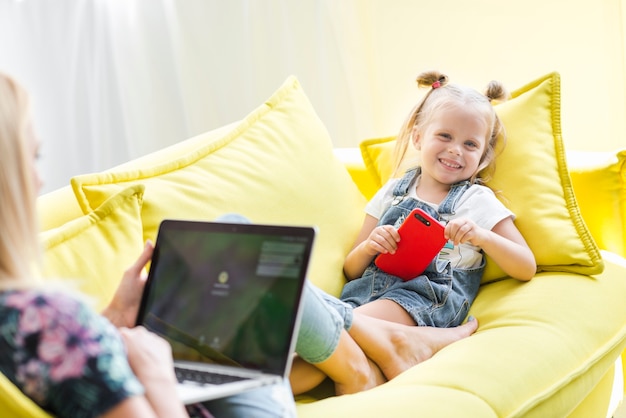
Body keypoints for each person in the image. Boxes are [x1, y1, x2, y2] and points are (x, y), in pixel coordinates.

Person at [0, 72, 296, 418]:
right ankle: (354, 346)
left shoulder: (29, 318)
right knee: (243, 261)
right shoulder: (51, 318)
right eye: (31, 159)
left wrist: (114, 318)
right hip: (174, 396)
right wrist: (158, 373)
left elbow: (63, 375)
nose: (39, 179)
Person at [289, 70, 536, 396]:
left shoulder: (476, 200)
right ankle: (237, 397)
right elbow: (352, 268)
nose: (455, 150)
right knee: (317, 355)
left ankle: (421, 336)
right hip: (366, 293)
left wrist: (482, 237)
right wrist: (370, 248)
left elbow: (526, 265)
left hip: (425, 299)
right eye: (445, 136)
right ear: (418, 137)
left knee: (322, 325)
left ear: (483, 156)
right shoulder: (394, 191)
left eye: (470, 144)